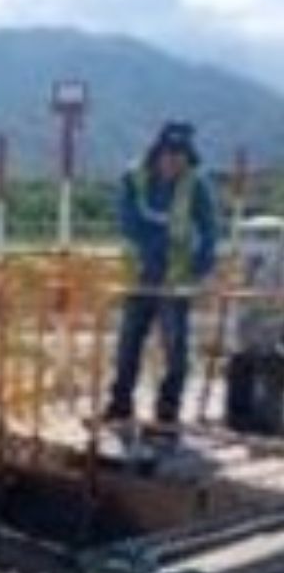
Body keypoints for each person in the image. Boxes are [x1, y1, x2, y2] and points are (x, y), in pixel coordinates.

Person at [103, 121, 218, 439]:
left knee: (176, 352)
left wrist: (199, 266)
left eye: (180, 156)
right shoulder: (134, 179)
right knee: (128, 346)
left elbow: (209, 230)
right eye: (168, 154)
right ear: (156, 153)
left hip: (175, 282)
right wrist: (157, 249)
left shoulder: (196, 185)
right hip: (140, 278)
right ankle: (119, 407)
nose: (173, 162)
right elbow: (128, 223)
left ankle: (167, 417)